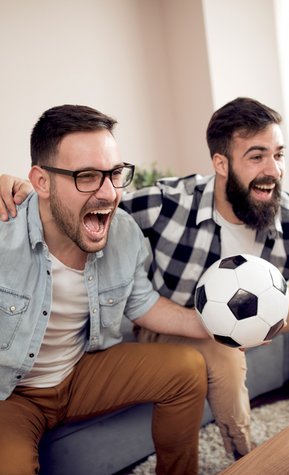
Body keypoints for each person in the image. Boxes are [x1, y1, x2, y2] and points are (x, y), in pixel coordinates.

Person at [0, 97, 289, 460]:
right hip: (178, 320)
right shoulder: (166, 204)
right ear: (221, 163)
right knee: (222, 352)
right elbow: (76, 205)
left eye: (278, 154)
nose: (272, 169)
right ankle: (245, 453)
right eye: (256, 156)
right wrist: (11, 187)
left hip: (231, 315)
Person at [0, 105, 210, 475]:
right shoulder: (5, 234)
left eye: (114, 174)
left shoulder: (124, 231)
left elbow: (142, 303)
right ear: (42, 181)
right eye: (87, 177)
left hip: (79, 373)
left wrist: (217, 328)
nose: (109, 192)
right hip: (10, 396)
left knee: (187, 368)